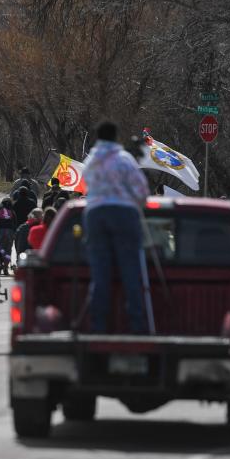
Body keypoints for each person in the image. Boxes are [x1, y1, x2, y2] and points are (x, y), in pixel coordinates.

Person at [81, 121, 150, 335]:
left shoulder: (91, 161)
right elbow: (141, 190)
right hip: (123, 213)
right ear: (115, 136)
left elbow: (86, 184)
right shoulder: (124, 160)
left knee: (100, 273)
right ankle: (136, 325)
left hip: (95, 214)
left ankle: (98, 325)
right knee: (131, 271)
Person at [0, 198, 17, 274]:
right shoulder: (12, 211)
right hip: (10, 232)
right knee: (8, 250)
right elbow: (15, 223)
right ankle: (6, 268)